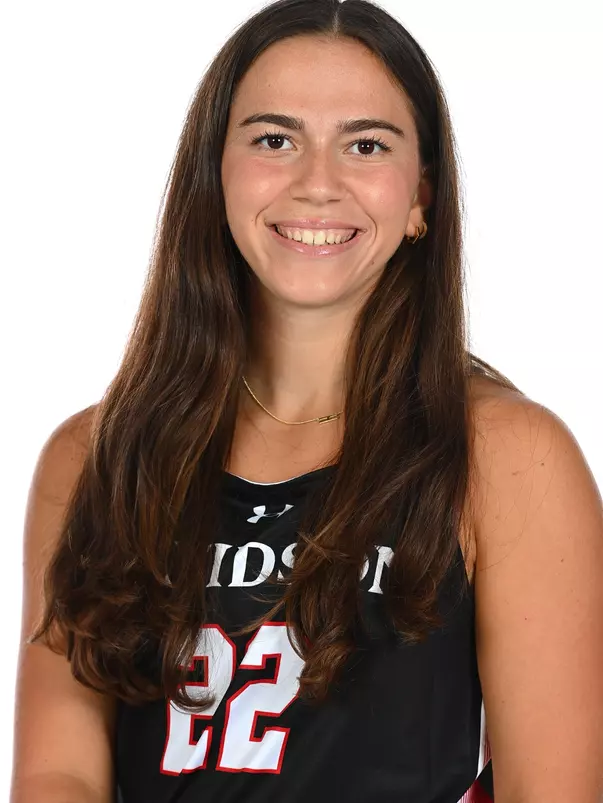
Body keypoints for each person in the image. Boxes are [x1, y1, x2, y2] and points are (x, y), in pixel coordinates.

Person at [10, 0, 603, 801]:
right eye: (273, 139)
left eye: (365, 145)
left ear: (420, 195)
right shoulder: (94, 457)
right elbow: (59, 771)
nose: (317, 183)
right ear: (213, 174)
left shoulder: (506, 454)